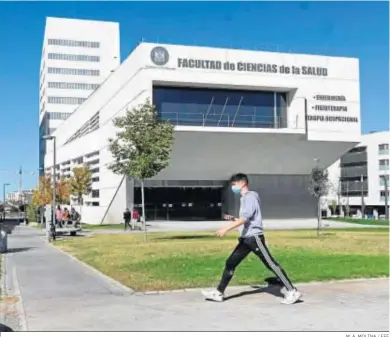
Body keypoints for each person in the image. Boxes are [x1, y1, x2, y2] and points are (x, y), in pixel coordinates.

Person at [201, 173, 302, 305]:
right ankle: (219, 292)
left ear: (242, 183)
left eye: (234, 185)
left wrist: (226, 228)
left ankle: (292, 291)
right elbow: (246, 220)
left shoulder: (250, 197)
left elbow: (245, 219)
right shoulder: (245, 199)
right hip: (245, 239)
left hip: (254, 238)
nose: (233, 188)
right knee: (230, 263)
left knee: (270, 263)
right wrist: (233, 219)